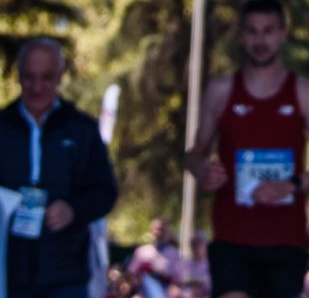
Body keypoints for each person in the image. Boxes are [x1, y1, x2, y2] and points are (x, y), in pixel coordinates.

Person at [185, 0, 309, 298]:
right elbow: (194, 154)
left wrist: (291, 184)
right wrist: (202, 170)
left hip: (286, 241)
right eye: (252, 31)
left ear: (283, 33)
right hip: (231, 236)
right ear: (241, 34)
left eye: (268, 30)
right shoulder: (220, 90)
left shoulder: (303, 92)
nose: (260, 40)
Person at [1, 37, 119, 298]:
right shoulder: (3, 127)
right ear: (18, 76)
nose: (37, 86)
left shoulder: (81, 129)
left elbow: (105, 192)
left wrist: (73, 210)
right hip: (10, 271)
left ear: (59, 77)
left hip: (66, 274)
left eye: (46, 77)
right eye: (29, 77)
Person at [127, 218, 181, 297]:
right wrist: (136, 291)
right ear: (151, 231)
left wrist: (175, 288)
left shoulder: (174, 254)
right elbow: (131, 274)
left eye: (162, 230)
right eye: (156, 229)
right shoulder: (142, 251)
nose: (158, 232)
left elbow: (178, 279)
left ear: (167, 232)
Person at [173, 231, 212, 298]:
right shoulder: (182, 264)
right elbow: (174, 285)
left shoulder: (211, 265)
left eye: (199, 243)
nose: (196, 246)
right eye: (194, 243)